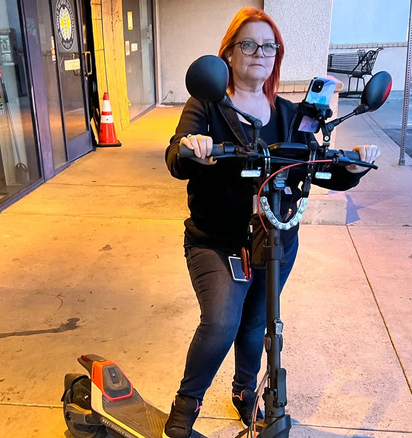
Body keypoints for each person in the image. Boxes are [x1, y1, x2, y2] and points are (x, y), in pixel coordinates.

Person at [163, 7, 380, 438]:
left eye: (269, 46)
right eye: (248, 43)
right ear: (227, 54)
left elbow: (316, 167)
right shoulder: (207, 103)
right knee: (222, 323)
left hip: (276, 242)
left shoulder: (290, 114)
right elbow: (176, 158)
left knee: (255, 325)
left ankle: (245, 392)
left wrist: (351, 167)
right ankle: (187, 403)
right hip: (216, 242)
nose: (260, 53)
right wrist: (193, 147)